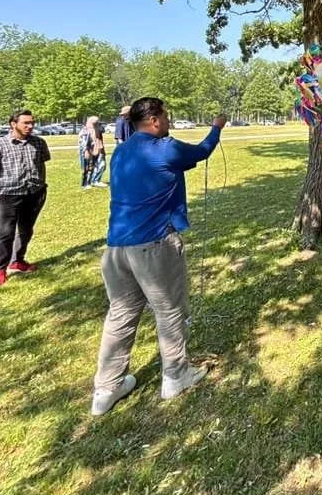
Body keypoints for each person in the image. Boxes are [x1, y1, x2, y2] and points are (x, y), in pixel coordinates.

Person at [90, 98, 227, 416]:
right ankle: (176, 376)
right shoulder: (165, 148)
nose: (168, 121)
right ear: (153, 120)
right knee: (170, 311)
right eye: (166, 116)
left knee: (120, 315)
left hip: (116, 249)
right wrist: (216, 127)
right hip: (153, 246)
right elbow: (202, 151)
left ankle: (106, 389)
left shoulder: (122, 151)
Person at [0, 110, 50, 287]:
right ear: (13, 124)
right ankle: (0, 269)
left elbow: (42, 164)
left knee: (26, 230)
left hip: (34, 193)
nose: (30, 126)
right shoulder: (1, 144)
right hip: (8, 194)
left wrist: (41, 186)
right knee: (5, 233)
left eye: (32, 123)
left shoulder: (39, 142)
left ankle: (17, 261)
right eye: (26, 123)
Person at [79, 116, 108, 189]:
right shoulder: (85, 131)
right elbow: (83, 143)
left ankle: (95, 181)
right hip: (88, 151)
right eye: (96, 123)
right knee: (87, 168)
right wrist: (86, 151)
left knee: (100, 165)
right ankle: (85, 184)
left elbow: (102, 133)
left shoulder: (97, 129)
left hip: (98, 150)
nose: (98, 124)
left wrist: (102, 150)